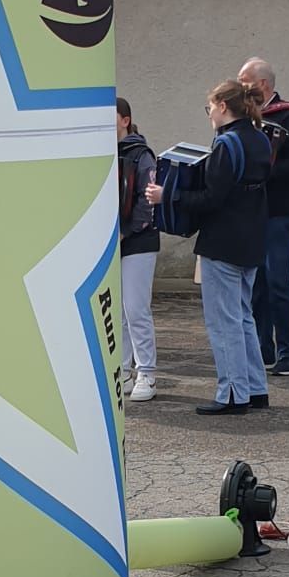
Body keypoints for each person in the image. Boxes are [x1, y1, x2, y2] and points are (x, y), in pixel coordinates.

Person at [147, 79, 272, 416]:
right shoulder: (260, 139)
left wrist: (167, 195)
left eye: (210, 108)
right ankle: (255, 388)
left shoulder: (226, 145)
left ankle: (232, 393)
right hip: (252, 239)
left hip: (222, 241)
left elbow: (211, 199)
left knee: (223, 321)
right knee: (243, 316)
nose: (210, 115)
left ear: (222, 106)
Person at [238, 56, 289, 376]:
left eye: (244, 81)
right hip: (251, 211)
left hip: (280, 210)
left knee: (278, 280)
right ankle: (262, 351)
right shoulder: (243, 117)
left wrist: (262, 169)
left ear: (262, 84)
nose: (240, 87)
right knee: (256, 285)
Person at [116, 97, 159, 401]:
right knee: (117, 311)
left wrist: (126, 230)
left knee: (135, 308)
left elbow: (147, 198)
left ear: (125, 120)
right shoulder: (101, 153)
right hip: (113, 242)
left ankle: (147, 373)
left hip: (138, 240)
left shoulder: (141, 154)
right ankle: (122, 370)